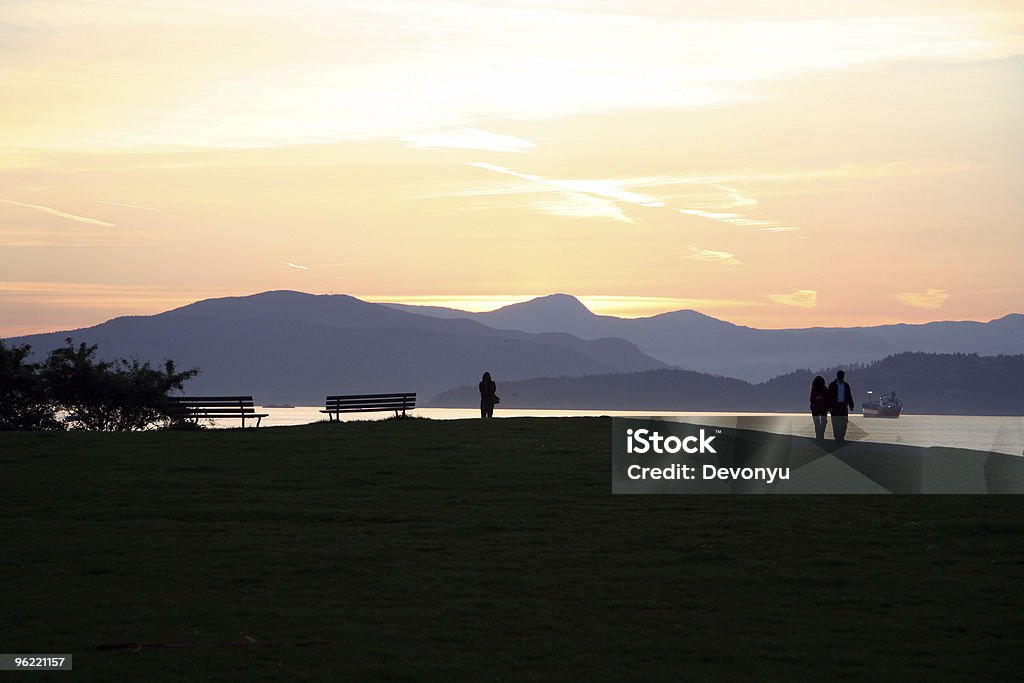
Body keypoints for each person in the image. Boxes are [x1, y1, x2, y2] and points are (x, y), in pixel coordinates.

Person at [827, 370, 855, 443]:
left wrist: (851, 405)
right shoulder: (832, 385)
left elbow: (849, 396)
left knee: (844, 423)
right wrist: (829, 407)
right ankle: (837, 438)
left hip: (843, 406)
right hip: (835, 406)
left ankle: (841, 437)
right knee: (835, 423)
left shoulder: (846, 385)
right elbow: (829, 397)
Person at [809, 375, 829, 441]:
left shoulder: (813, 389)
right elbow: (827, 399)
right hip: (822, 408)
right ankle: (821, 435)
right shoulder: (825, 389)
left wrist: (817, 399)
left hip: (815, 408)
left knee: (817, 423)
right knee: (823, 422)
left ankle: (818, 435)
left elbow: (811, 399)